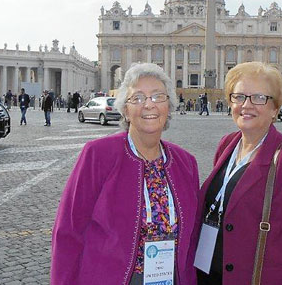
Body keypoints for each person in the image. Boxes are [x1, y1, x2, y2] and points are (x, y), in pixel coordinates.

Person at [51, 63, 199, 285]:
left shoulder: (185, 162)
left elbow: (193, 237)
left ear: (168, 105)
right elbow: (68, 231)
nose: (149, 104)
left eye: (158, 96)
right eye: (137, 98)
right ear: (126, 110)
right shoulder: (98, 155)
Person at [195, 62, 282, 285]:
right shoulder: (228, 145)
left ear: (275, 109)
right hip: (208, 276)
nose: (246, 105)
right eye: (239, 96)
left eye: (259, 97)